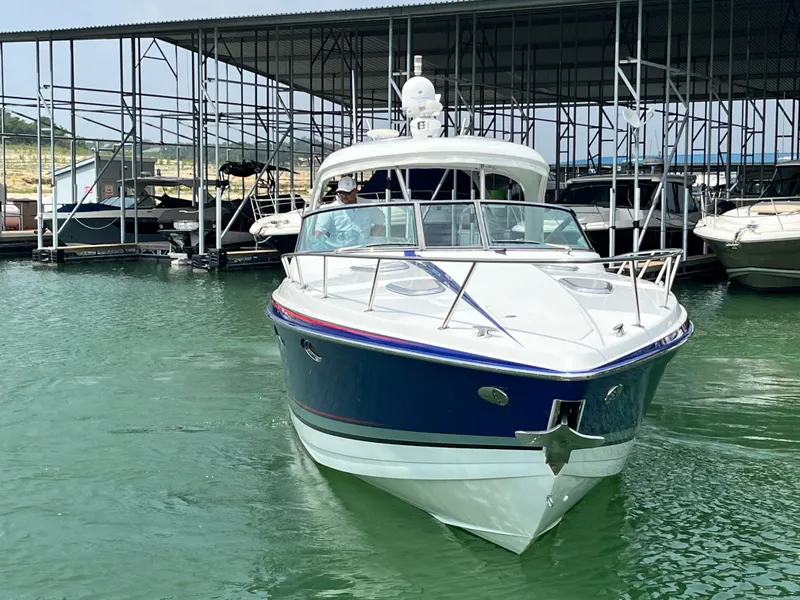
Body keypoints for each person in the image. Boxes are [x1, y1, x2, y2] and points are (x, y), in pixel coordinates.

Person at [313, 176, 386, 245]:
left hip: (363, 249)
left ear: (355, 191)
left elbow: (381, 220)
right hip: (338, 252)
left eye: (347, 193)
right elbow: (319, 233)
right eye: (341, 193)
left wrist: (371, 237)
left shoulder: (368, 205)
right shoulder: (329, 209)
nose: (344, 196)